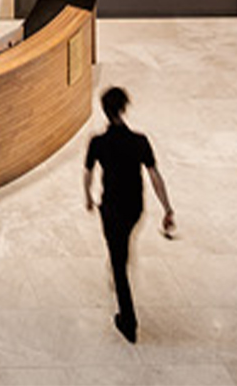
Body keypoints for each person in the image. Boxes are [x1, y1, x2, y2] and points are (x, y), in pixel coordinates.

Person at [83, 86, 175, 344]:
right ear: (124, 109)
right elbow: (154, 176)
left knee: (118, 263)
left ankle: (128, 321)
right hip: (134, 207)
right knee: (121, 247)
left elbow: (88, 173)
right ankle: (120, 259)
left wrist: (88, 197)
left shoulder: (98, 142)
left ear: (104, 110)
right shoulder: (140, 141)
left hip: (111, 207)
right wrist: (167, 208)